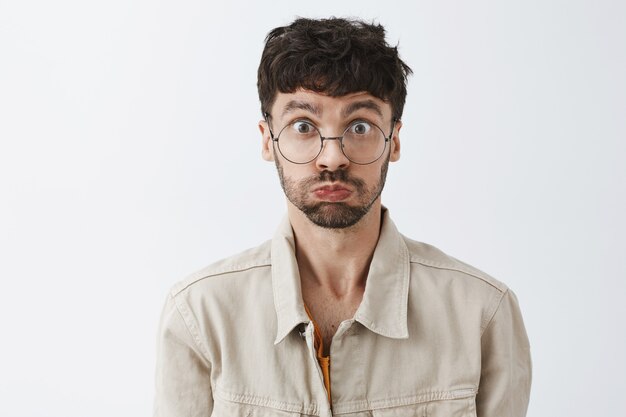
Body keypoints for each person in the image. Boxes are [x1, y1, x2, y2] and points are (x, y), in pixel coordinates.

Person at [154, 17, 532, 417]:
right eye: (303, 126)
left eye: (359, 126)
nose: (332, 157)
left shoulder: (482, 314)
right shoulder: (199, 314)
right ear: (268, 140)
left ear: (395, 140)